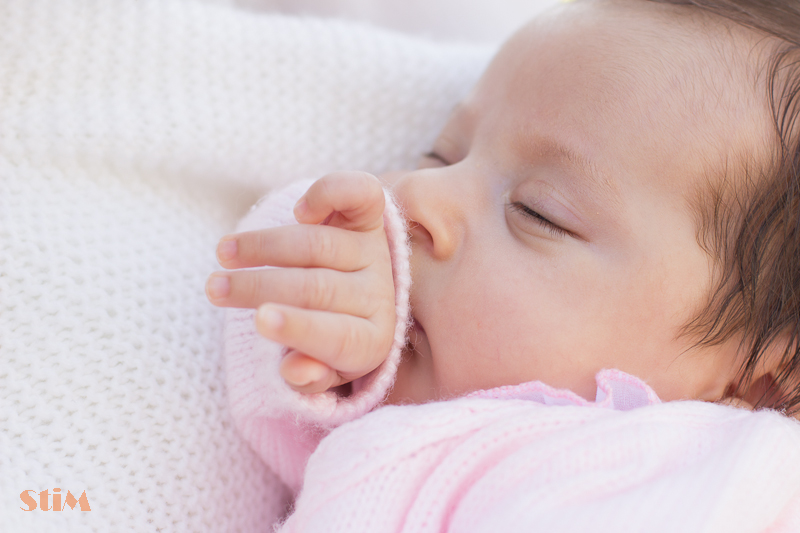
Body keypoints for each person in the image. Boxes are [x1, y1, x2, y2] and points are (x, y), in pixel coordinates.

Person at [206, 0, 800, 529]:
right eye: (441, 155)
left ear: (760, 386)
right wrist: (336, 302)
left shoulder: (707, 477)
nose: (416, 194)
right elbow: (267, 351)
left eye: (538, 212)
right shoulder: (406, 410)